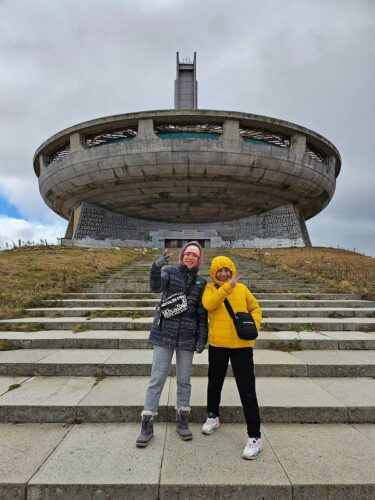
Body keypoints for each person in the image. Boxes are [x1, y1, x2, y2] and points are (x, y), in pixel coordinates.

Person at [136, 241, 208, 447]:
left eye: (195, 254)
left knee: (184, 380)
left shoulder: (201, 283)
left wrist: (202, 337)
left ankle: (182, 420)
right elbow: (155, 287)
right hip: (163, 334)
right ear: (182, 255)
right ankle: (147, 424)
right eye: (188, 253)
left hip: (187, 336)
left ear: (199, 259)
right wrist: (155, 267)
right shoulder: (170, 271)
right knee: (157, 378)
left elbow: (201, 314)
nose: (190, 257)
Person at [201, 255, 263, 460]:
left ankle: (255, 436)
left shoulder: (242, 289)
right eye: (220, 270)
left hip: (241, 346)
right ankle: (212, 416)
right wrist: (227, 287)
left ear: (232, 270)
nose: (224, 273)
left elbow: (255, 308)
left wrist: (253, 326)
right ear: (213, 273)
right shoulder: (211, 289)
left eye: (227, 270)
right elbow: (209, 305)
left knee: (247, 390)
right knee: (214, 382)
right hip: (218, 345)